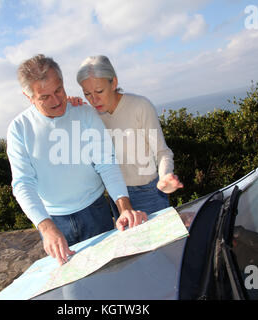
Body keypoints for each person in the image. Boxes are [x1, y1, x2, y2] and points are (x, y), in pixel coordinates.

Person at [7, 54, 147, 265]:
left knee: (112, 271)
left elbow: (106, 163)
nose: (56, 101)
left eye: (59, 90)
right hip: (54, 222)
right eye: (45, 97)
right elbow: (22, 183)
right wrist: (46, 228)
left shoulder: (84, 113)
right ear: (29, 98)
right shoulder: (19, 129)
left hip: (96, 212)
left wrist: (124, 207)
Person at [76, 55, 183, 218]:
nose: (94, 99)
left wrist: (165, 176)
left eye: (99, 91)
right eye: (87, 94)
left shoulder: (140, 106)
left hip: (149, 193)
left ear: (114, 83)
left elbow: (162, 152)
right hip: (117, 197)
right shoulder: (92, 116)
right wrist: (70, 105)